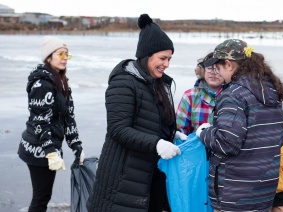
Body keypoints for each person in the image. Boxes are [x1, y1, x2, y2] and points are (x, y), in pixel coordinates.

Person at [87, 14, 184, 212]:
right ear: (147, 55)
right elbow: (118, 129)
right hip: (123, 178)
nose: (167, 64)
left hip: (151, 177)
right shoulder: (124, 82)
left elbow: (153, 122)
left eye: (169, 59)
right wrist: (156, 143)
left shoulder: (159, 84)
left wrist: (172, 134)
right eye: (162, 58)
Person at [196, 39, 283, 211]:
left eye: (219, 68)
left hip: (235, 194)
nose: (219, 74)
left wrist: (204, 132)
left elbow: (227, 143)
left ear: (229, 64)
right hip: (264, 190)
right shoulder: (271, 90)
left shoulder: (233, 95)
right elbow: (281, 136)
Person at [17, 36, 85, 212]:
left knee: (43, 196)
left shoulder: (62, 82)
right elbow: (40, 120)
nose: (64, 58)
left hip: (50, 147)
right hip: (37, 148)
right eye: (60, 54)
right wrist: (50, 152)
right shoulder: (41, 84)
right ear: (48, 57)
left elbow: (68, 117)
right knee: (41, 197)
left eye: (67, 55)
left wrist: (76, 146)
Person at [176, 52, 224, 135]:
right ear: (202, 71)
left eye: (218, 68)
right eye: (209, 68)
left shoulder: (234, 96)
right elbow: (179, 131)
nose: (213, 72)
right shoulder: (190, 96)